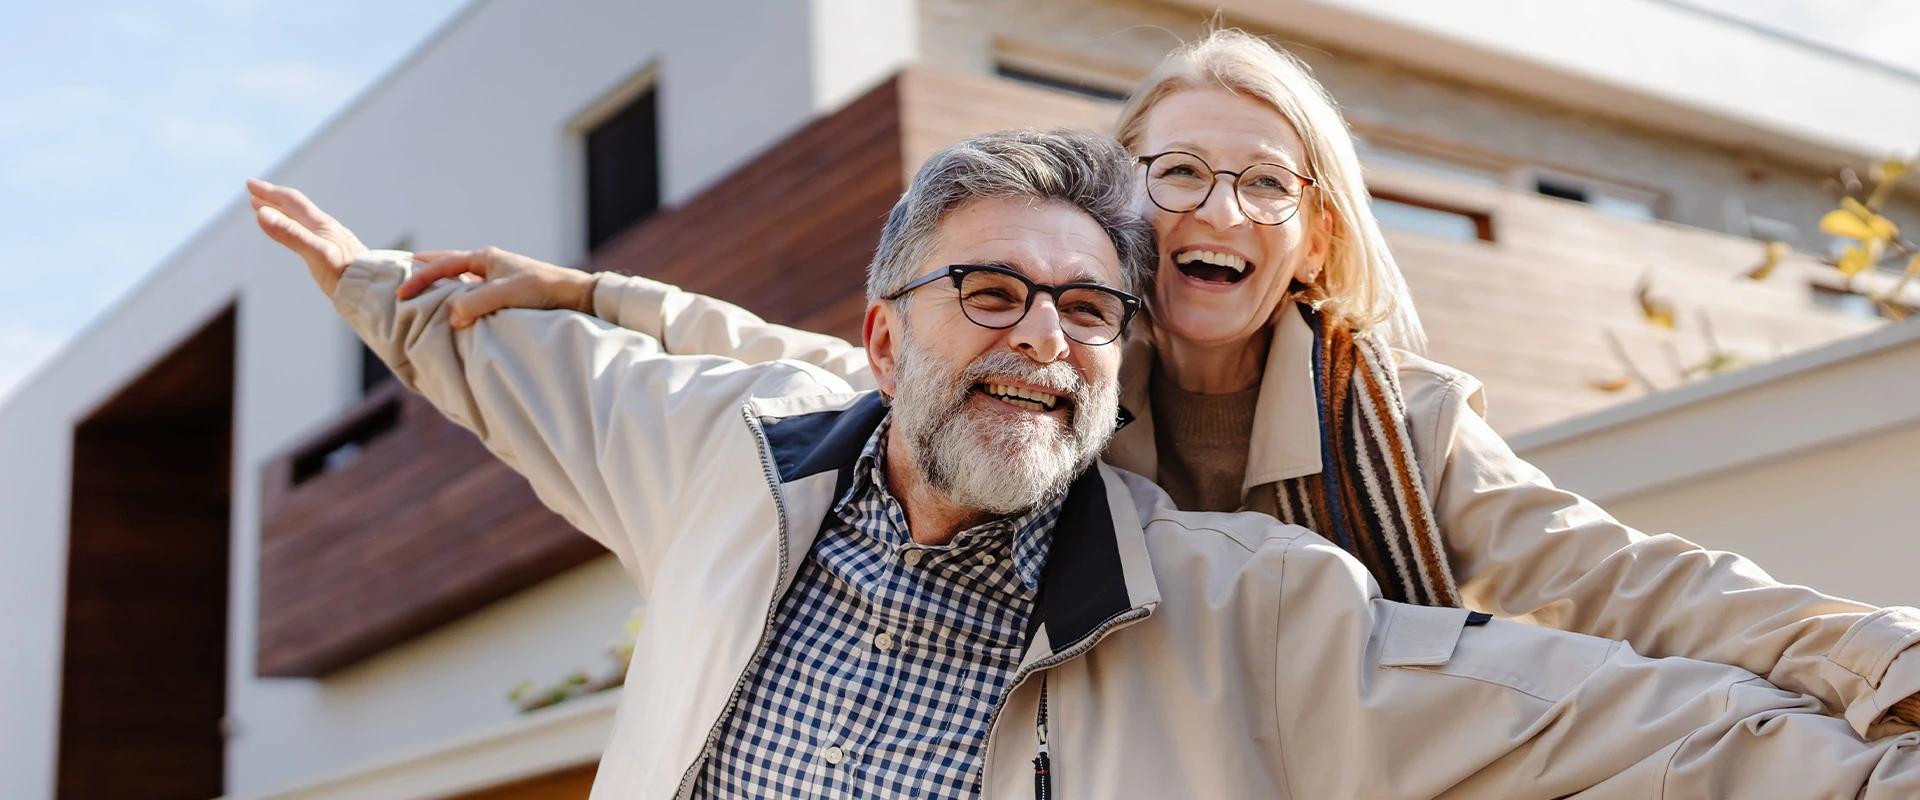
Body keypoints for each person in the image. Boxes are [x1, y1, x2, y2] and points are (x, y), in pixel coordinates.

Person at [253, 128, 1920, 799]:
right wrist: (374, 287)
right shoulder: (723, 454)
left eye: (1086, 310)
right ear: (884, 333)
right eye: (993, 293)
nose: (1044, 338)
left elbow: (1595, 705)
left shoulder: (1246, 605)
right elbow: (537, 371)